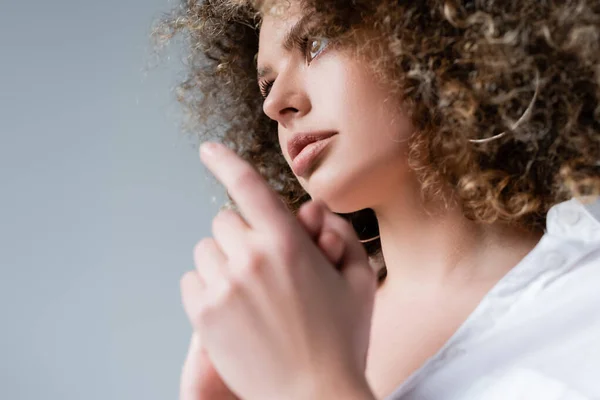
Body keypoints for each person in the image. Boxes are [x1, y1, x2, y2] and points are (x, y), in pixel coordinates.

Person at [153, 0, 600, 399]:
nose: (274, 105)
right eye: (265, 85)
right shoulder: (297, 322)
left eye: (317, 42)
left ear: (437, 37)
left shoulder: (585, 305)